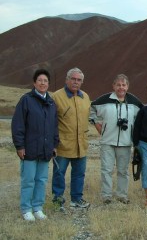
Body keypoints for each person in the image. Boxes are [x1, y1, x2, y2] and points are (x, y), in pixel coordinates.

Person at [12, 69, 59, 221]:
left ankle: (38, 208)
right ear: (34, 83)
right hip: (29, 149)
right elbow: (18, 125)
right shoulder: (26, 100)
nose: (43, 83)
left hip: (46, 150)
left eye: (45, 81)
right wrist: (19, 146)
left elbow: (54, 126)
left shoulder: (51, 103)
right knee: (28, 180)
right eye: (40, 80)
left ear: (48, 84)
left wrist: (54, 145)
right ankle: (26, 209)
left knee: (41, 180)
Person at [90, 74, 142, 204]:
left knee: (123, 171)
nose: (121, 87)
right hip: (107, 141)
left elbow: (142, 117)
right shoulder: (104, 100)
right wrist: (96, 123)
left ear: (127, 86)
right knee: (106, 169)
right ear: (113, 86)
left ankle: (122, 195)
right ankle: (106, 195)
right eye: (118, 85)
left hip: (125, 142)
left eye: (124, 85)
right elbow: (91, 108)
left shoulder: (134, 102)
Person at [51, 67, 91, 210]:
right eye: (73, 79)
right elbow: (51, 122)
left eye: (79, 80)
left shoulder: (85, 97)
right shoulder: (56, 97)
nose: (76, 82)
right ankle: (57, 201)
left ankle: (76, 199)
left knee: (79, 174)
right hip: (63, 145)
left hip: (81, 144)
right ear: (67, 79)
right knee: (59, 174)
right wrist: (52, 143)